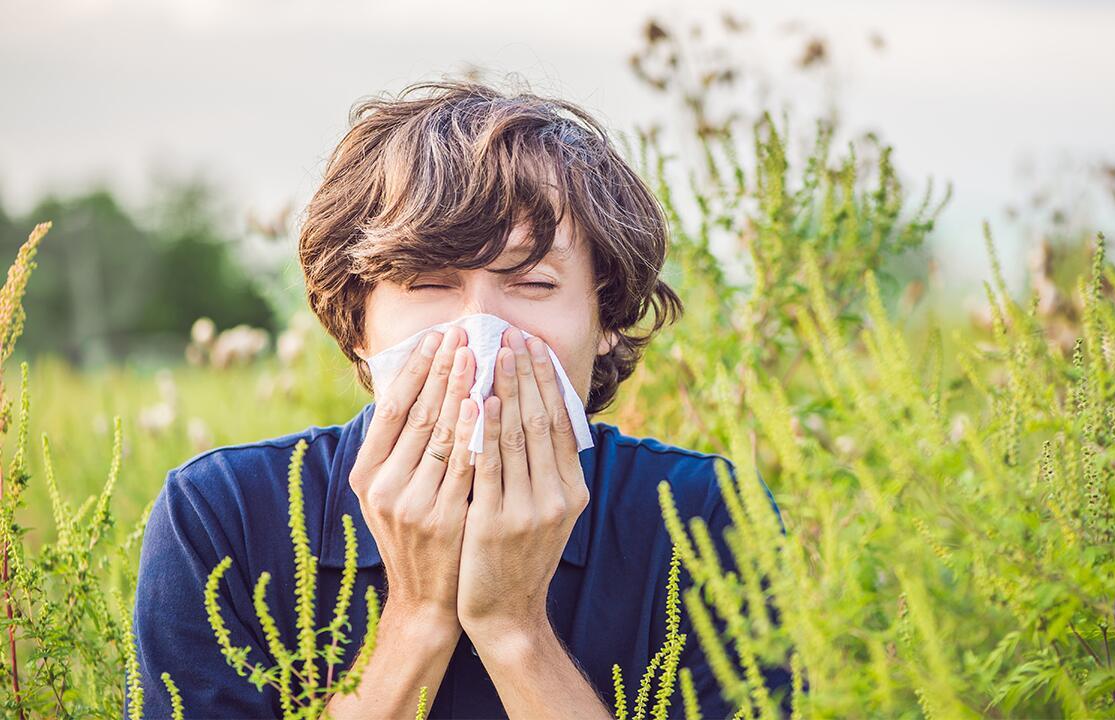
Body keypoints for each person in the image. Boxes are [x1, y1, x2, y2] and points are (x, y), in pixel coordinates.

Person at [128, 78, 791, 719]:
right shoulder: (224, 517)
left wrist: (514, 630)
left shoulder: (703, 517)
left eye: (532, 283)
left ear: (607, 316)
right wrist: (418, 615)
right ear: (357, 322)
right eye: (426, 284)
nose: (481, 334)